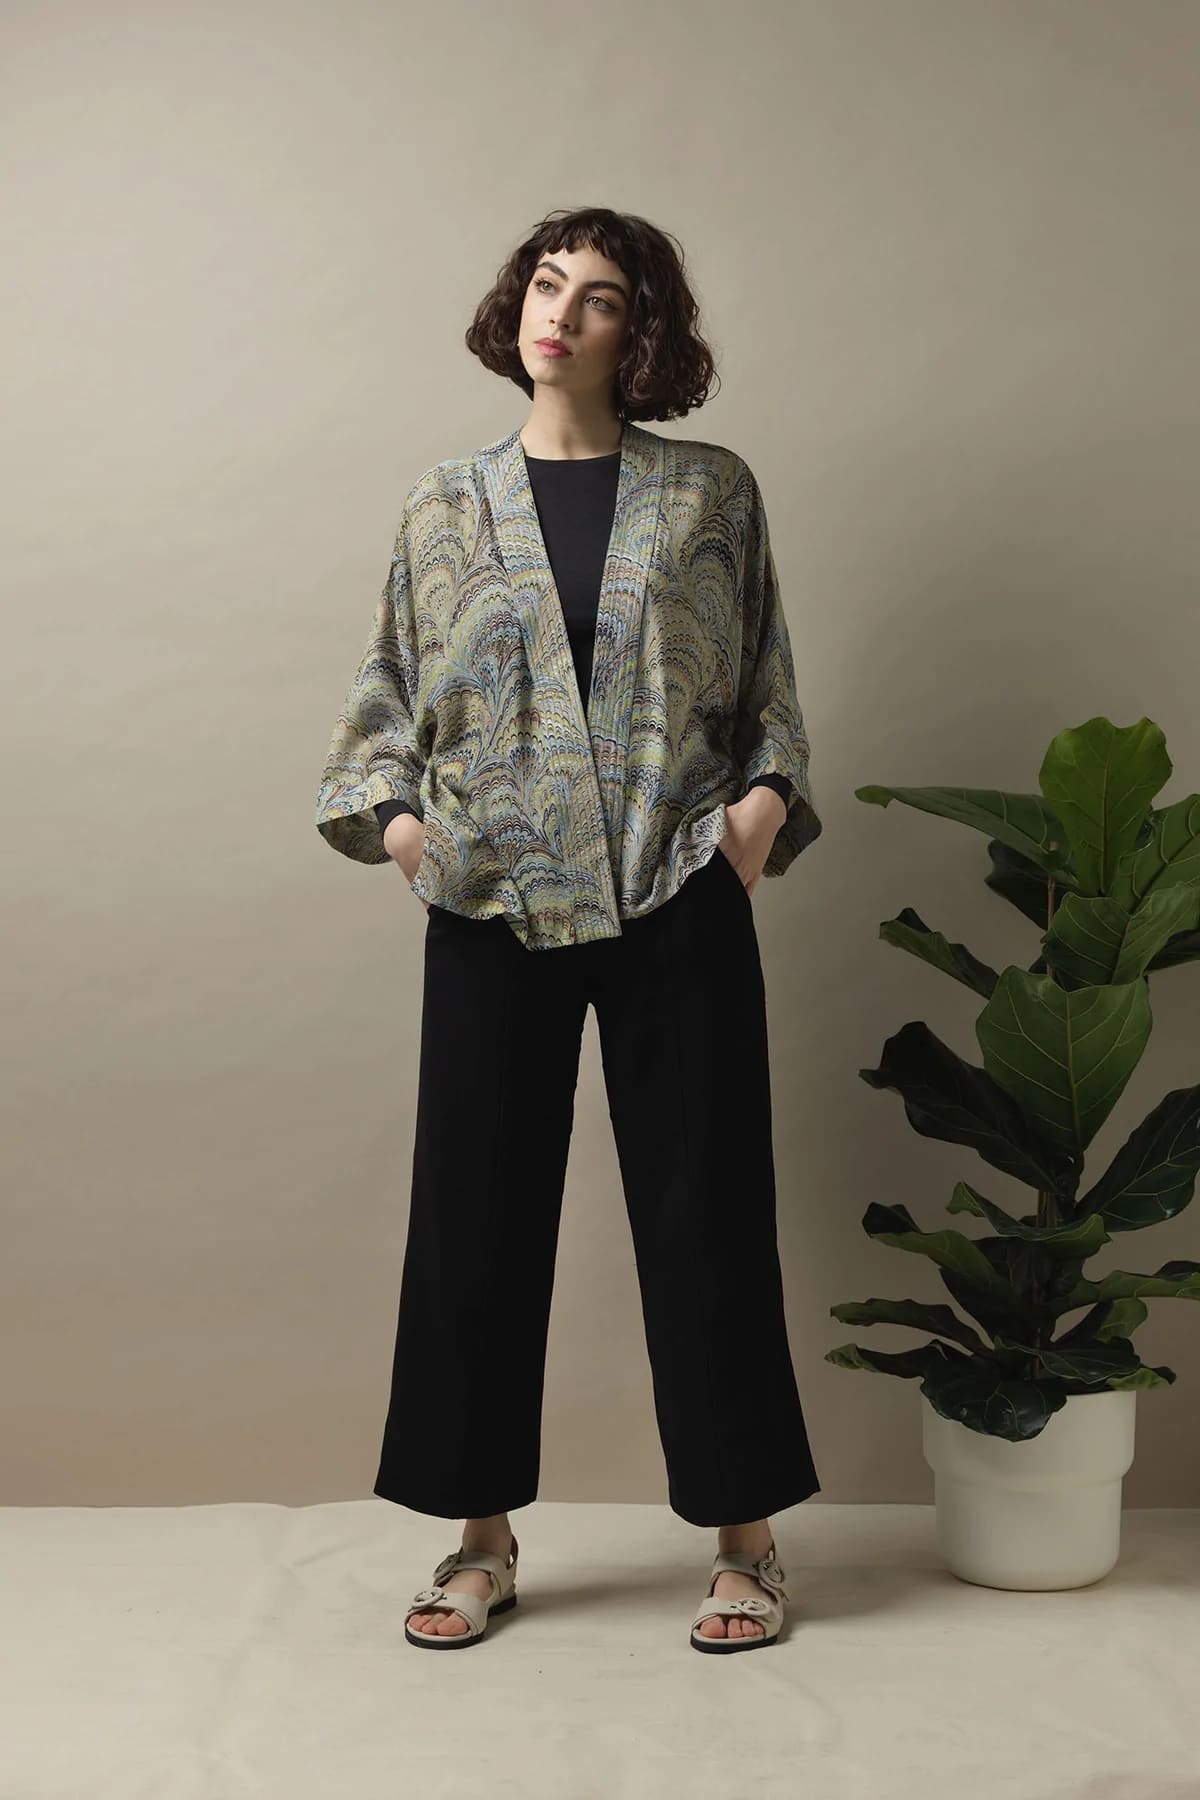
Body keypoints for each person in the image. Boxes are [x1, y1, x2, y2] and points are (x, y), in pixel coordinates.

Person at [315, 206, 823, 1653]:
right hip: (491, 899)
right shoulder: (443, 505)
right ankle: (479, 1540)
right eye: (547, 285)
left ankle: (747, 1542)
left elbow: (766, 683)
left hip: (676, 889)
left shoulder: (711, 494)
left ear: (637, 332)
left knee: (707, 1212)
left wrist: (757, 815)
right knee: (474, 1216)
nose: (562, 314)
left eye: (599, 297)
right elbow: (385, 691)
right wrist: (405, 830)